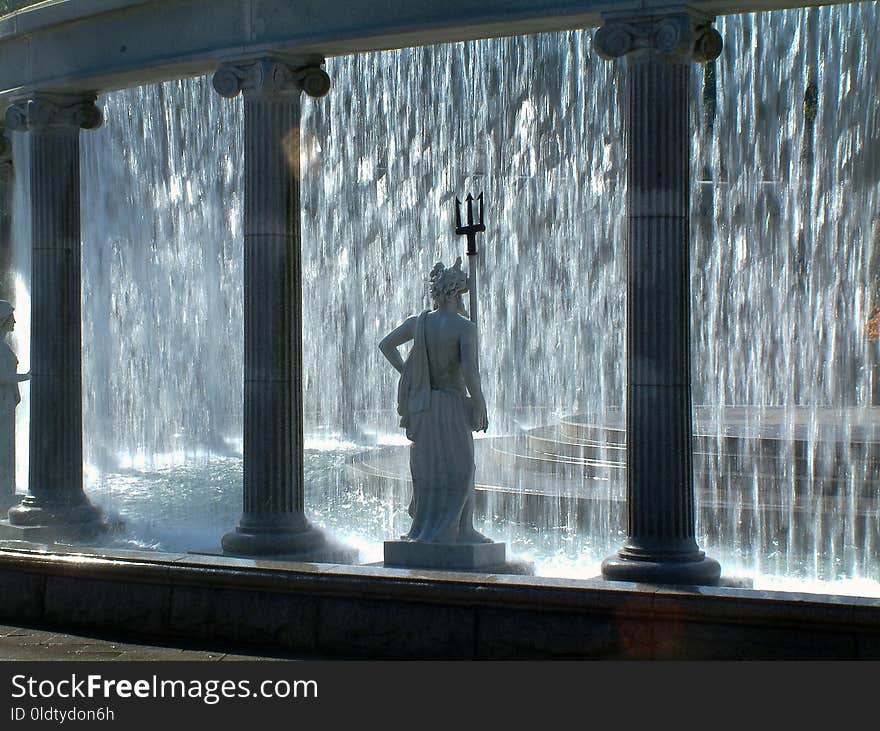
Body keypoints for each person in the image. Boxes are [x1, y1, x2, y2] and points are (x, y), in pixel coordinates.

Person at [379, 258, 490, 544]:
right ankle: (463, 530)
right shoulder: (465, 328)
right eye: (462, 293)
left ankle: (425, 527)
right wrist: (480, 405)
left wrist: (410, 371)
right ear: (456, 293)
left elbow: (386, 344)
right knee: (464, 468)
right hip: (452, 406)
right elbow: (470, 373)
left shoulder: (419, 322)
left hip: (424, 406)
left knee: (429, 470)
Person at [0, 301, 28, 496]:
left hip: (6, 400)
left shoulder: (4, 346)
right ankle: (4, 492)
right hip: (3, 400)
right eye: (11, 318)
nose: (15, 322)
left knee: (7, 445)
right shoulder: (1, 348)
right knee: (4, 444)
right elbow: (2, 376)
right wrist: (28, 376)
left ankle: (6, 489)